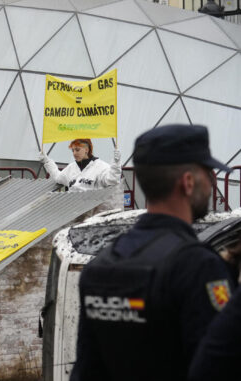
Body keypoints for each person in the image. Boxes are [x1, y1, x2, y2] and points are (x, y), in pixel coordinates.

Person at [71, 124, 235, 381]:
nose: (213, 181)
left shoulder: (100, 266)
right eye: (208, 173)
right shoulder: (198, 267)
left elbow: (86, 371)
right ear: (188, 182)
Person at [40, 138, 123, 210]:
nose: (74, 153)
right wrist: (47, 161)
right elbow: (58, 177)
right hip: (73, 212)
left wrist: (116, 163)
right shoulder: (71, 167)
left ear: (86, 149)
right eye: (73, 150)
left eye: (77, 150)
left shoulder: (101, 167)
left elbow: (112, 180)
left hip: (93, 213)